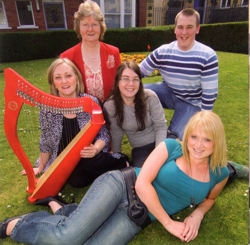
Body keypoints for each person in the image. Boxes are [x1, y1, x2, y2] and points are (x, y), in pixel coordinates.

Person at [1, 111, 231, 244]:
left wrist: (197, 215)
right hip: (122, 185)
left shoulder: (219, 172)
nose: (198, 145)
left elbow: (209, 199)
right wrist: (169, 223)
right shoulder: (172, 147)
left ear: (217, 142)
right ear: (187, 136)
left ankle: (64, 210)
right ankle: (15, 226)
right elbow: (142, 183)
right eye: (194, 136)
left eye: (207, 139)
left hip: (137, 216)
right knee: (67, 238)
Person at [21, 58, 128, 189]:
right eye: (58, 77)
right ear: (54, 83)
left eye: (68, 75)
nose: (64, 81)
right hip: (66, 161)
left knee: (89, 161)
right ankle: (108, 170)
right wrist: (40, 168)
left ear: (76, 78)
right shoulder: (48, 110)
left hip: (92, 155)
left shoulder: (90, 102)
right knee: (76, 181)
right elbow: (46, 141)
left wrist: (95, 149)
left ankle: (121, 161)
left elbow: (103, 135)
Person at [140, 8, 218, 140]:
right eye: (180, 27)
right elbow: (138, 71)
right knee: (137, 92)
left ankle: (169, 137)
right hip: (168, 93)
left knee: (174, 139)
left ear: (197, 29)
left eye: (189, 27)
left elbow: (210, 94)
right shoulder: (163, 52)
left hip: (191, 102)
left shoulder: (207, 56)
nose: (184, 32)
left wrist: (203, 121)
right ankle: (144, 128)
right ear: (175, 29)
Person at [103, 61, 168, 167]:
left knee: (172, 167)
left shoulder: (150, 97)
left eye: (135, 79)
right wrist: (117, 158)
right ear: (117, 82)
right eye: (125, 79)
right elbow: (116, 133)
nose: (131, 84)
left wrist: (158, 154)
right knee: (143, 173)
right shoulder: (111, 105)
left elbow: (161, 126)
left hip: (162, 142)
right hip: (141, 148)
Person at [60, 0, 121, 102]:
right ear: (78, 28)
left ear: (101, 27)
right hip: (81, 115)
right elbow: (61, 93)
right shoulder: (67, 58)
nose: (90, 29)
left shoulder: (113, 53)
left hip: (111, 114)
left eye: (94, 24)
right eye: (85, 25)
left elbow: (121, 85)